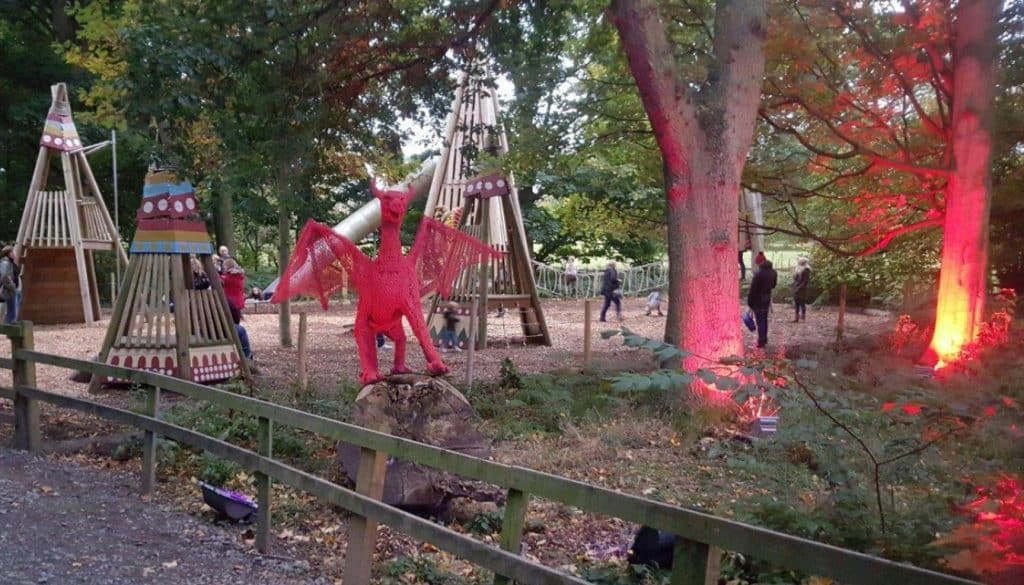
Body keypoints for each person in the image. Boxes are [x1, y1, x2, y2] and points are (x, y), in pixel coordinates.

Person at [747, 259, 777, 348]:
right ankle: (764, 339)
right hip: (767, 297)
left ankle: (761, 342)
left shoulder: (759, 274)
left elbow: (753, 289)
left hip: (758, 299)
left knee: (760, 320)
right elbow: (774, 285)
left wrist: (750, 302)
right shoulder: (773, 273)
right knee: (764, 319)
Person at [1, 246, 21, 324]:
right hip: (10, 290)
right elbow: (4, 277)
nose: (14, 253)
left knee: (14, 312)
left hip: (17, 290)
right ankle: (7, 329)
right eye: (12, 252)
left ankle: (10, 330)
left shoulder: (12, 262)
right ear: (8, 254)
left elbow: (16, 276)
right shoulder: (5, 263)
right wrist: (12, 287)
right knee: (11, 312)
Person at [790, 257, 812, 322]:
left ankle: (803, 318)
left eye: (800, 262)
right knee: (796, 304)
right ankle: (796, 318)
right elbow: (796, 279)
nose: (798, 263)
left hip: (802, 290)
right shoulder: (798, 269)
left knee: (802, 303)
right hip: (796, 287)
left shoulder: (806, 270)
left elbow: (805, 281)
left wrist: (799, 288)